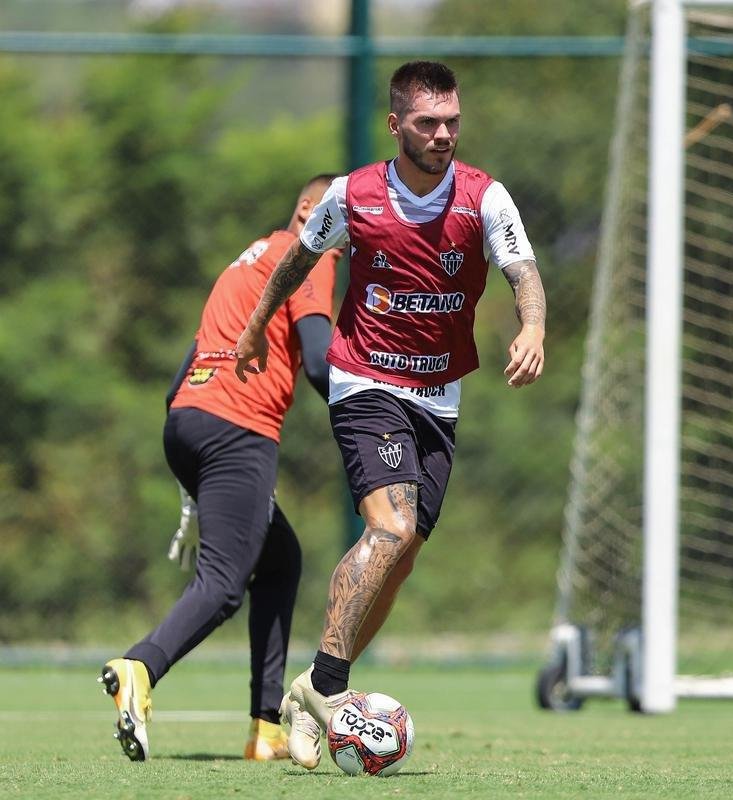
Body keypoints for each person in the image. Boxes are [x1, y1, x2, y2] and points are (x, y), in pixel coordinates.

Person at [235, 61, 546, 771]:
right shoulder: (354, 195)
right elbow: (295, 262)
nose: (444, 135)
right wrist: (258, 324)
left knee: (401, 558)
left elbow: (524, 273)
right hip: (364, 380)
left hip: (440, 394)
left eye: (453, 123)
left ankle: (313, 689)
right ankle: (329, 695)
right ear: (396, 124)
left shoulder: (483, 198)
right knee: (392, 527)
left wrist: (532, 329)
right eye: (429, 123)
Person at [98, 174, 340, 762]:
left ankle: (267, 728)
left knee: (281, 559)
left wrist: (194, 468)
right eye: (345, 219)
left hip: (187, 419)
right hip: (238, 427)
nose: (348, 237)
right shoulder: (310, 252)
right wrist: (374, 415)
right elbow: (315, 360)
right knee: (226, 583)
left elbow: (186, 364)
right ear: (310, 208)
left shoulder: (246, 260)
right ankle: (140, 666)